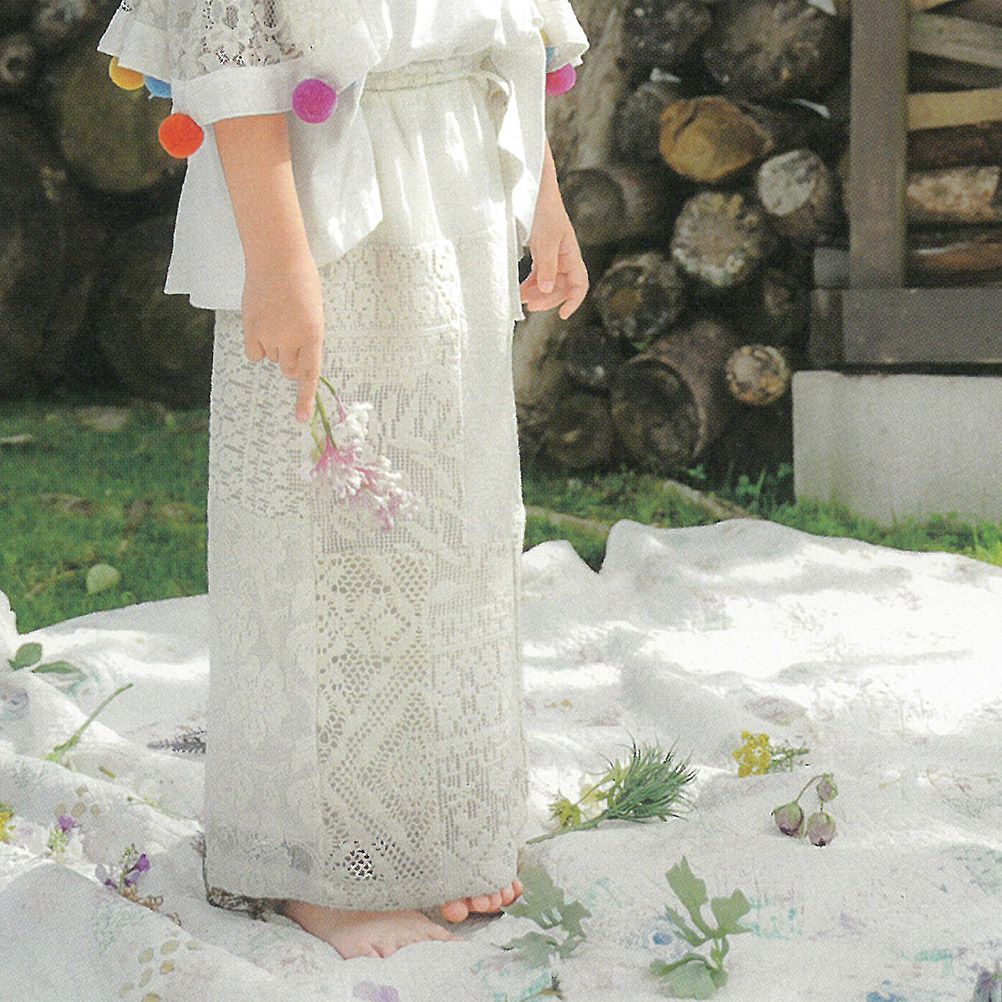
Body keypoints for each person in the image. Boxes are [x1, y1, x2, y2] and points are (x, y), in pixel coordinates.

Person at [97, 0, 589, 961]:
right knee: (332, 531)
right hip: (320, 208)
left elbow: (509, 30)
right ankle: (324, 859)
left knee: (453, 523)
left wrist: (544, 199)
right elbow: (237, 58)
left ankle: (437, 830)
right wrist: (280, 263)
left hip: (458, 179)